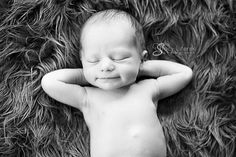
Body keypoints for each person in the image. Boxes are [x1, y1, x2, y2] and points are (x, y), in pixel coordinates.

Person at [41, 9, 193, 157]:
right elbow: (50, 82)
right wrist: (87, 74)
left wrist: (141, 68)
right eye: (93, 60)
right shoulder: (87, 98)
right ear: (82, 62)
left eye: (119, 58)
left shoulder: (148, 89)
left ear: (141, 58)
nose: (105, 66)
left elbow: (184, 73)